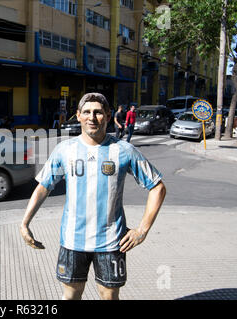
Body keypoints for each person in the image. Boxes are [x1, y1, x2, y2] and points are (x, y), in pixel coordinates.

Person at [19, 92, 166, 300]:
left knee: (108, 296)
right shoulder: (64, 150)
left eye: (98, 112)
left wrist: (142, 230)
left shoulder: (124, 150)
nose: (92, 117)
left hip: (112, 242)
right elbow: (44, 186)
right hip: (72, 240)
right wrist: (25, 222)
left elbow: (157, 187)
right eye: (86, 112)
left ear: (107, 115)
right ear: (78, 116)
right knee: (71, 295)